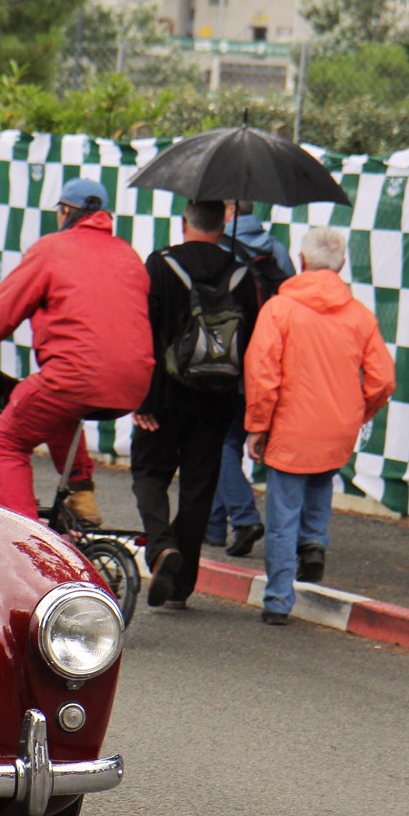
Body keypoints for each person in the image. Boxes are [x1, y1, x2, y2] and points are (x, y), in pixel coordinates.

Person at [0, 178, 153, 524]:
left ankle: (27, 546)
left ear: (66, 212)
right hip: (133, 384)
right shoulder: (127, 253)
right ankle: (81, 492)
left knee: (2, 443)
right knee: (54, 405)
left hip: (75, 375)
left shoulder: (52, 248)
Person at [243, 227, 395, 625]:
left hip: (292, 428)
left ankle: (278, 599)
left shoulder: (279, 310)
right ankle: (313, 541)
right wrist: (358, 412)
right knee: (320, 483)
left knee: (282, 514)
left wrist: (257, 426)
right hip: (338, 426)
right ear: (342, 264)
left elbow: (263, 375)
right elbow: (383, 379)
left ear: (303, 259)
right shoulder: (360, 315)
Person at [131, 198, 260, 609]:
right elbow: (252, 344)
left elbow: (144, 332)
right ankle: (182, 587)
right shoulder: (241, 273)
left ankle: (161, 547)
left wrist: (143, 398)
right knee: (199, 489)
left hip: (164, 397)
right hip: (216, 400)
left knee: (149, 473)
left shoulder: (160, 263)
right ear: (223, 225)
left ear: (184, 222)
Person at [207, 201, 296, 556]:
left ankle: (244, 518)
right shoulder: (277, 251)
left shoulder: (219, 250)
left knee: (221, 442)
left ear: (228, 208)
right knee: (228, 441)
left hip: (228, 359)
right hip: (269, 360)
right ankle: (213, 527)